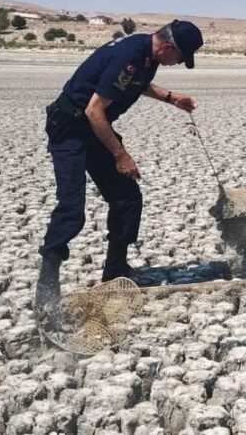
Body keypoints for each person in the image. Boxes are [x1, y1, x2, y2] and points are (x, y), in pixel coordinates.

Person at [35, 20, 204, 315]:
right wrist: (120, 154)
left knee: (127, 197)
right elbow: (94, 110)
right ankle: (46, 291)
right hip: (71, 129)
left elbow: (136, 84)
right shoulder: (129, 56)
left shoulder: (147, 56)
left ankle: (115, 272)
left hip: (93, 128)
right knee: (72, 210)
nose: (177, 64)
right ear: (168, 46)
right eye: (180, 57)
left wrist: (172, 97)